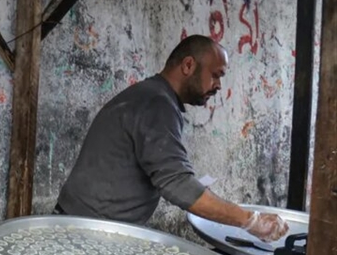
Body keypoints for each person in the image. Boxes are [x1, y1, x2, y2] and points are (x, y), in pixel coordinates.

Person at [55, 35, 288, 243]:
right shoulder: (157, 105)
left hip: (81, 224)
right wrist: (250, 221)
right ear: (188, 65)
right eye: (215, 75)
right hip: (86, 234)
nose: (218, 86)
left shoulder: (151, 96)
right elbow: (178, 185)